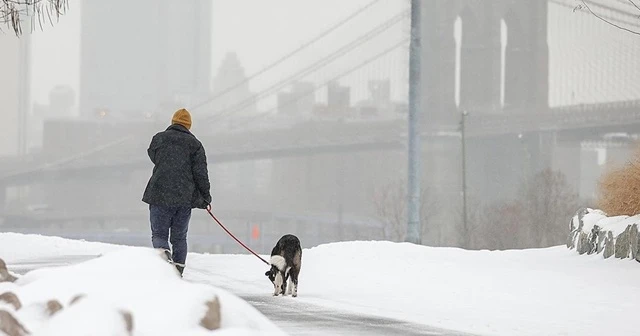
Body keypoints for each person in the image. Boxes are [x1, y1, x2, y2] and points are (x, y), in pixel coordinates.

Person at [142, 108, 211, 276]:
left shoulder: (159, 139)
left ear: (172, 122)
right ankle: (178, 271)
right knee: (179, 237)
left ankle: (164, 256)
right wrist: (205, 197)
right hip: (184, 197)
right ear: (188, 125)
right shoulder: (195, 145)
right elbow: (201, 173)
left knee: (159, 234)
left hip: (159, 194)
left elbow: (153, 156)